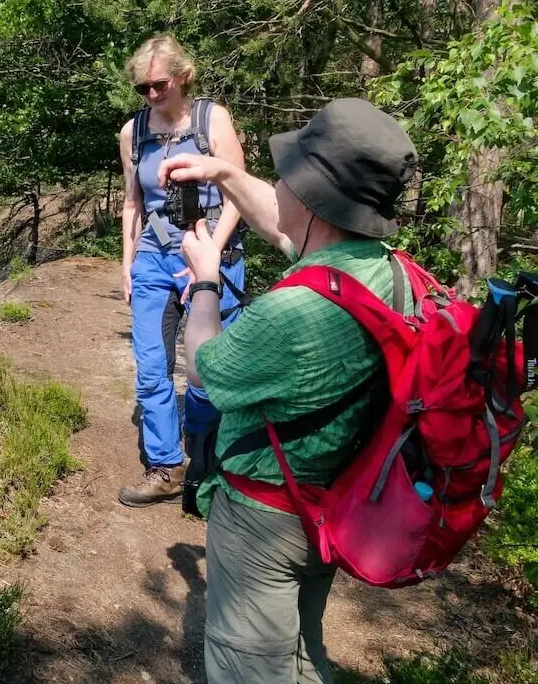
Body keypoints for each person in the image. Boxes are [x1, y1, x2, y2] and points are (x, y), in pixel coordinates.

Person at [161, 98, 419, 683]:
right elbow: (283, 228)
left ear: (311, 195)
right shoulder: (381, 269)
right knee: (300, 655)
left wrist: (204, 280)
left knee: (248, 666)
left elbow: (204, 367)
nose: (274, 183)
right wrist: (224, 173)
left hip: (264, 518)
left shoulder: (295, 312)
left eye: (285, 173)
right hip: (327, 501)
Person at [116, 35, 249, 507]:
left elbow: (238, 191)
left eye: (159, 84)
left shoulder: (212, 120)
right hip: (154, 255)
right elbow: (133, 201)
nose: (151, 95)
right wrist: (127, 265)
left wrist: (208, 258)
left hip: (212, 252)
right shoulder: (133, 132)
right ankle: (166, 467)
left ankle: (208, 465)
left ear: (183, 77)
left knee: (209, 369)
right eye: (142, 88)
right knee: (151, 367)